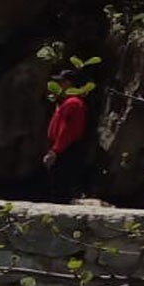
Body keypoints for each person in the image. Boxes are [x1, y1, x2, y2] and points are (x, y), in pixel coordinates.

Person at [44, 69, 89, 202]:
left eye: (62, 81)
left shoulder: (73, 103)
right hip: (64, 148)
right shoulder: (68, 102)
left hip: (66, 149)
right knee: (59, 185)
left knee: (60, 186)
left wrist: (55, 150)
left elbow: (67, 130)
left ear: (69, 83)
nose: (59, 85)